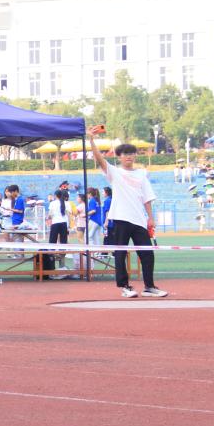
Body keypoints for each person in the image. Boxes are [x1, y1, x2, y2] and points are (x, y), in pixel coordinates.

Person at [88, 127, 167, 298]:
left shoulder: (141, 174)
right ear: (119, 157)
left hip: (139, 220)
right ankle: (125, 287)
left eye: (131, 153)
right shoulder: (115, 172)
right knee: (120, 253)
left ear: (135, 156)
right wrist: (91, 140)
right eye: (125, 154)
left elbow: (147, 198)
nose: (129, 156)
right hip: (120, 218)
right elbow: (99, 159)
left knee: (147, 254)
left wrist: (150, 218)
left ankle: (149, 286)